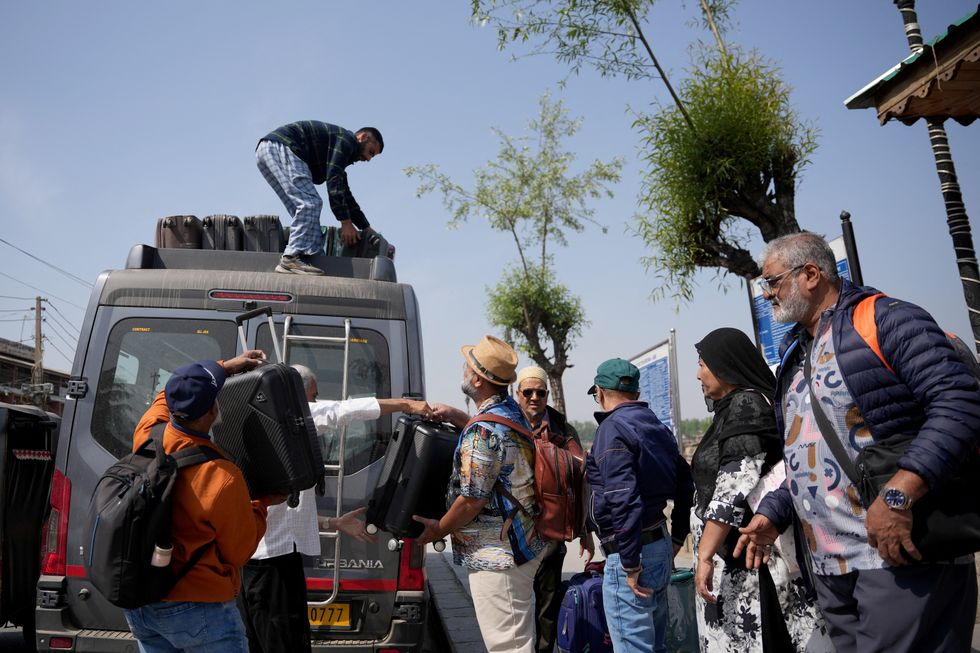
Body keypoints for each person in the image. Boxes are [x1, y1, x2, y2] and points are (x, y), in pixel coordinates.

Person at [735, 232, 980, 653]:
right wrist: (774, 513)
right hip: (831, 567)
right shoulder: (796, 355)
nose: (767, 294)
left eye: (772, 282)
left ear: (810, 274)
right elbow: (807, 450)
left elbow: (960, 404)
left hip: (896, 554)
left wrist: (900, 495)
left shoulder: (886, 320)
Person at [237, 363, 433, 653]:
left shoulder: (262, 427)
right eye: (313, 398)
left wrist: (334, 523)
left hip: (259, 564)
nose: (315, 404)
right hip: (271, 568)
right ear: (295, 397)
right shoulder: (287, 422)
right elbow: (342, 411)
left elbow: (283, 515)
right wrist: (407, 404)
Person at [123, 351, 284, 653]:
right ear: (212, 410)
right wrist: (261, 504)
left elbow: (165, 393)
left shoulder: (147, 434)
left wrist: (223, 367)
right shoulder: (221, 476)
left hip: (142, 602)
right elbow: (239, 551)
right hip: (199, 609)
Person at [691, 328, 828, 652]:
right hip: (740, 556)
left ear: (726, 366)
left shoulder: (746, 404)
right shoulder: (731, 409)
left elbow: (734, 484)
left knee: (766, 639)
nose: (698, 374)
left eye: (703, 364)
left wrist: (705, 555)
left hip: (752, 561)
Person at [414, 336, 546, 653]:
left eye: (467, 366)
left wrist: (439, 528)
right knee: (516, 639)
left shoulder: (482, 432)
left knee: (508, 646)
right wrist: (459, 418)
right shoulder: (511, 413)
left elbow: (473, 499)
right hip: (521, 542)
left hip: (499, 556)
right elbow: (494, 442)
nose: (462, 370)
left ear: (476, 379)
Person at [586, 358, 694, 653]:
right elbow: (686, 485)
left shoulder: (612, 428)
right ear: (635, 392)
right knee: (654, 645)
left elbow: (623, 497)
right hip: (658, 544)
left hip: (631, 554)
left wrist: (630, 563)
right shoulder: (657, 427)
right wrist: (677, 537)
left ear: (599, 391)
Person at [512, 365, 594, 653]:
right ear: (517, 393)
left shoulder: (563, 429)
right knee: (515, 605)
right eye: (528, 392)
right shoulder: (505, 424)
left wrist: (585, 531)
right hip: (511, 533)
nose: (534, 397)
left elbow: (581, 480)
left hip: (551, 532)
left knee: (547, 604)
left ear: (547, 395)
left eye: (540, 392)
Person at [256, 120, 384, 275]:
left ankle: (310, 258)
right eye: (370, 152)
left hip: (267, 151)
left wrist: (365, 227)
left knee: (304, 213)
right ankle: (290, 258)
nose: (369, 159)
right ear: (363, 137)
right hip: (283, 146)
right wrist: (345, 222)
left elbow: (344, 192)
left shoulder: (339, 150)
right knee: (310, 204)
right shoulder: (347, 141)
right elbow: (333, 182)